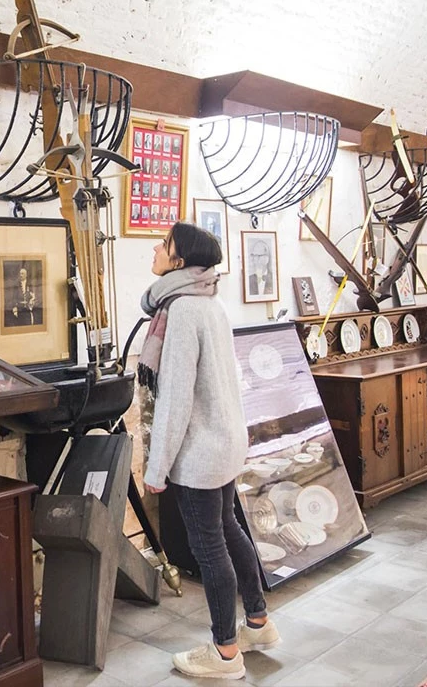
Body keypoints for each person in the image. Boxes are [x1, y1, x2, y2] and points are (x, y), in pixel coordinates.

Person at [140, 222, 279, 680]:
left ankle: (225, 653)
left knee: (209, 547)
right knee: (228, 531)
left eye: (164, 245)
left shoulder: (181, 310)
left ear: (179, 261)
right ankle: (257, 623)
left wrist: (157, 466)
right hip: (225, 441)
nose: (156, 249)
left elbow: (176, 398)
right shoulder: (209, 302)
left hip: (201, 452)